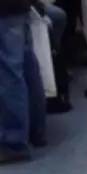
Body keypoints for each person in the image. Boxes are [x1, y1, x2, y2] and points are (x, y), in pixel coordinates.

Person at [0, 0, 47, 164]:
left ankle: (13, 143)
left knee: (9, 74)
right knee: (26, 67)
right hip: (19, 6)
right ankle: (35, 129)